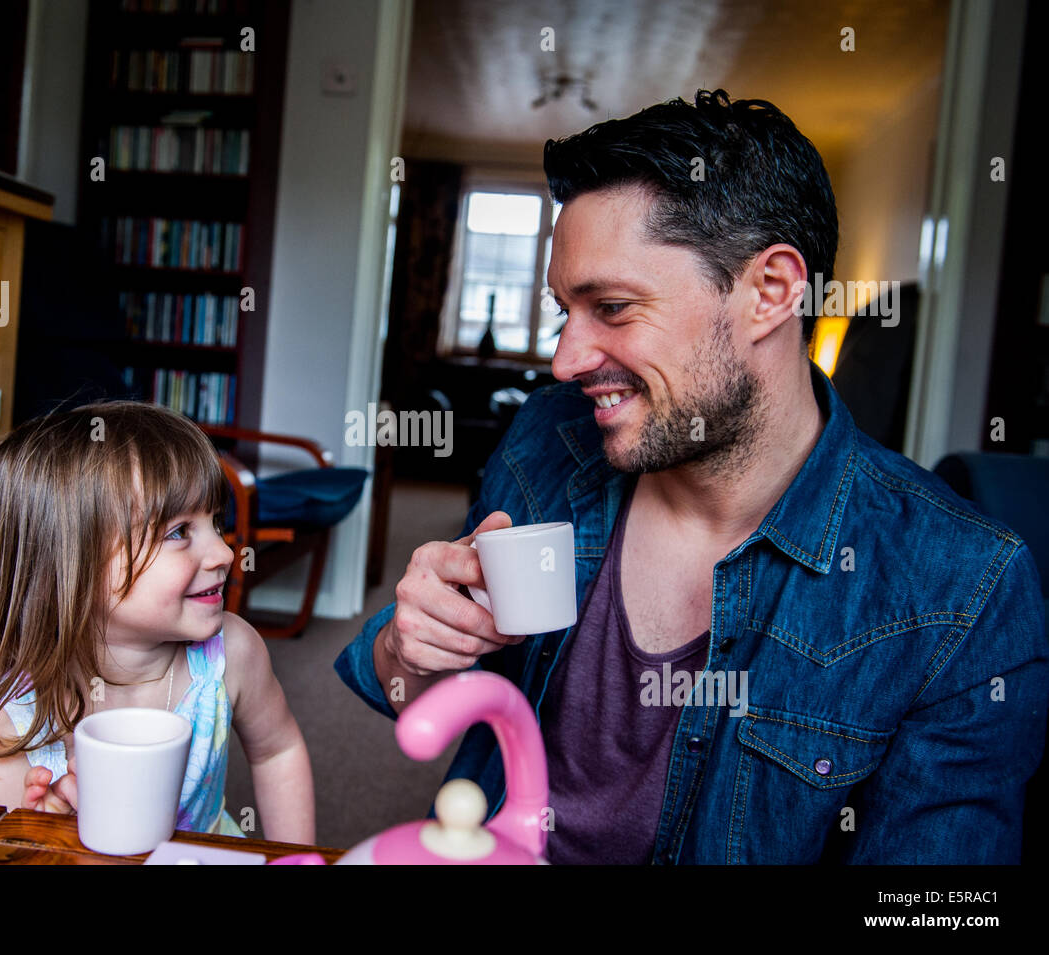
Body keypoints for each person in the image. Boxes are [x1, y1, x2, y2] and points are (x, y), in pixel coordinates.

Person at [335, 89, 1048, 864]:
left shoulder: (959, 589)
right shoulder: (549, 438)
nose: (565, 361)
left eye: (611, 306)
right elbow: (407, 695)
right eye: (563, 312)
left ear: (770, 291)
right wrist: (411, 650)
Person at [0, 401, 314, 844]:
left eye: (216, 522)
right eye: (178, 532)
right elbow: (3, 850)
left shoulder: (232, 652)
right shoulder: (4, 717)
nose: (225, 553)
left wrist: (297, 858)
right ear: (67, 565)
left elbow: (278, 751)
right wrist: (46, 832)